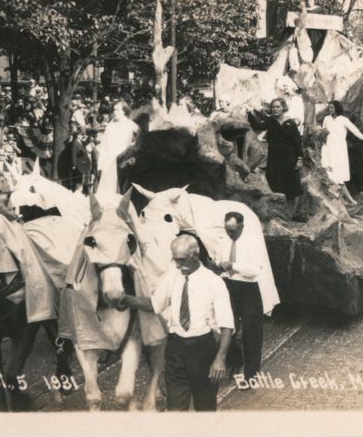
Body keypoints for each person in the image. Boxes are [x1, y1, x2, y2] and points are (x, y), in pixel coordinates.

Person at [120, 235, 233, 411]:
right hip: (176, 350)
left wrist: (220, 359)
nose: (177, 265)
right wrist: (127, 299)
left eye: (180, 260)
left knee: (205, 409)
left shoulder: (214, 283)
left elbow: (227, 326)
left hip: (203, 350)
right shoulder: (172, 276)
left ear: (195, 255)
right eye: (174, 260)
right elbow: (155, 304)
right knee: (175, 410)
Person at [213, 212, 265, 385]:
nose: (230, 234)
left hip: (248, 288)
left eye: (233, 231)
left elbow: (256, 270)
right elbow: (219, 261)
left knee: (252, 331)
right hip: (228, 285)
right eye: (228, 230)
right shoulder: (223, 241)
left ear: (241, 226)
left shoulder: (252, 242)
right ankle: (233, 362)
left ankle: (251, 373)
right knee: (228, 326)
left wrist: (234, 265)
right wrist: (217, 264)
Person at [247, 98, 304, 219]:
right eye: (273, 107)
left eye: (277, 106)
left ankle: (290, 216)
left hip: (290, 158)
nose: (275, 109)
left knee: (292, 188)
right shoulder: (270, 121)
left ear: (283, 107)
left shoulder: (291, 123)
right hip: (274, 158)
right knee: (275, 184)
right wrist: (249, 113)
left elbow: (298, 143)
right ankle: (279, 215)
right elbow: (258, 126)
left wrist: (299, 159)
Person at [319, 100, 363, 205]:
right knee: (330, 175)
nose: (330, 110)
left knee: (339, 177)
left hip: (340, 151)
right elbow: (323, 134)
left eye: (332, 107)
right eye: (329, 108)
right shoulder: (326, 119)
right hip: (328, 149)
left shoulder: (343, 120)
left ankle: (347, 200)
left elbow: (355, 131)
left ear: (337, 108)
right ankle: (345, 200)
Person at [96, 100, 139, 195]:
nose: (114, 112)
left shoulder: (130, 125)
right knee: (107, 191)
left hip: (123, 162)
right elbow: (104, 147)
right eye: (114, 110)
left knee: (121, 191)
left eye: (117, 110)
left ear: (124, 111)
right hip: (109, 162)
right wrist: (100, 165)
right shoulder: (110, 126)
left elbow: (140, 139)